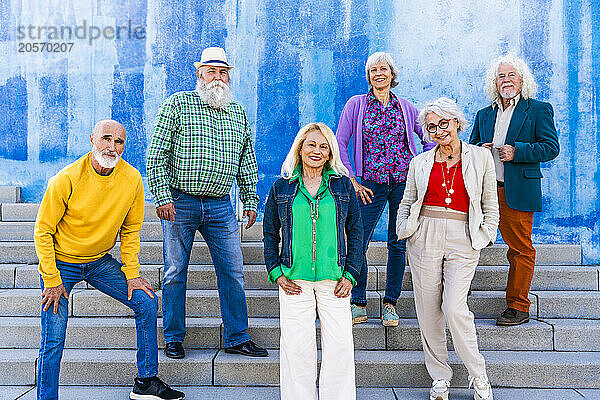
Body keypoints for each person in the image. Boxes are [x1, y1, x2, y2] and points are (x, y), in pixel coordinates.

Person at [34, 120, 184, 400]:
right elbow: (43, 231)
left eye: (119, 142)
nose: (112, 147)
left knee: (146, 300)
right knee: (53, 337)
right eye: (106, 139)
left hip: (99, 262)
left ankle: (146, 382)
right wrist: (52, 279)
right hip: (60, 263)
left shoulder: (131, 179)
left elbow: (130, 231)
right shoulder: (66, 179)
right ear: (92, 139)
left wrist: (132, 273)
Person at [146, 47, 267, 359]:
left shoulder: (237, 112)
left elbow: (246, 161)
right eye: (211, 71)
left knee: (233, 271)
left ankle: (237, 337)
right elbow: (156, 154)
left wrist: (250, 200)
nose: (218, 77)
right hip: (179, 203)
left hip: (220, 206)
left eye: (223, 72)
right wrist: (161, 196)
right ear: (199, 73)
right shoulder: (177, 104)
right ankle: (173, 338)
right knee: (174, 271)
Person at [397, 98, 499, 400]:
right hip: (424, 233)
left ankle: (478, 375)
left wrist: (486, 234)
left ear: (456, 122)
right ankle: (440, 377)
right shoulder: (420, 163)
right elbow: (406, 201)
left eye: (444, 123)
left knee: (454, 307)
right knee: (428, 312)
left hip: (463, 236)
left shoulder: (480, 158)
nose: (439, 130)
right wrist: (405, 229)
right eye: (432, 127)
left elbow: (489, 204)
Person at [263, 123, 362, 400]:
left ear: (330, 153)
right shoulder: (282, 187)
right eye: (311, 145)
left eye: (323, 146)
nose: (317, 151)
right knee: (297, 349)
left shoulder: (342, 185)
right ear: (300, 148)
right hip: (295, 281)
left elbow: (356, 231)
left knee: (340, 347)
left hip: (335, 281)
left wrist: (351, 273)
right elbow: (270, 233)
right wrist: (276, 272)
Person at [336, 51, 434, 326]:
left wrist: (424, 168)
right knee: (358, 240)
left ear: (392, 74)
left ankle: (391, 304)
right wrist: (353, 180)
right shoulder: (356, 105)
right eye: (373, 70)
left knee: (397, 242)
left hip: (403, 183)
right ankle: (359, 302)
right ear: (369, 77)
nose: (379, 74)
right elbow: (340, 142)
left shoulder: (406, 106)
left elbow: (426, 137)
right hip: (368, 183)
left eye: (383, 69)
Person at [470, 54, 560, 326]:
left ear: (522, 80)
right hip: (485, 192)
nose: (506, 80)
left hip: (517, 191)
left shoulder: (538, 109)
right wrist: (479, 151)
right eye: (501, 76)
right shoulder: (484, 114)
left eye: (511, 75)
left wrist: (517, 151)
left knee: (520, 249)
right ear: (494, 82)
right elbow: (471, 148)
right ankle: (457, 295)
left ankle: (518, 306)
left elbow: (551, 148)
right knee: (467, 243)